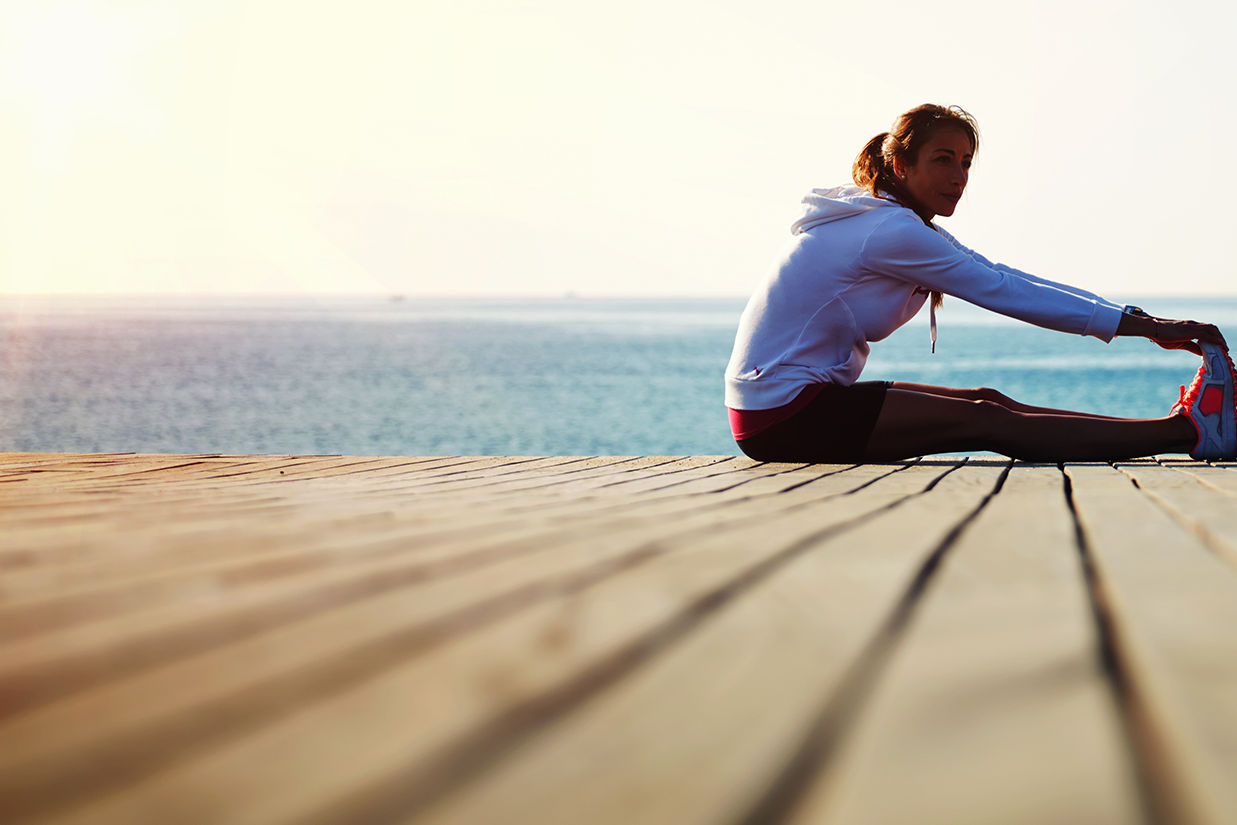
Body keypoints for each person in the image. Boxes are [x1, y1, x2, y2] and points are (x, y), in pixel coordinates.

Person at [725, 103, 1236, 463]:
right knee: (989, 420)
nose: (959, 177)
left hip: (787, 403)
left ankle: (1187, 427)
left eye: (966, 162)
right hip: (783, 413)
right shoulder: (887, 230)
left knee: (988, 399)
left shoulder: (892, 222)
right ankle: (1186, 432)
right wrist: (1145, 328)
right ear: (901, 164)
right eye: (942, 159)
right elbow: (1003, 291)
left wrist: (1138, 319)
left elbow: (1004, 276)